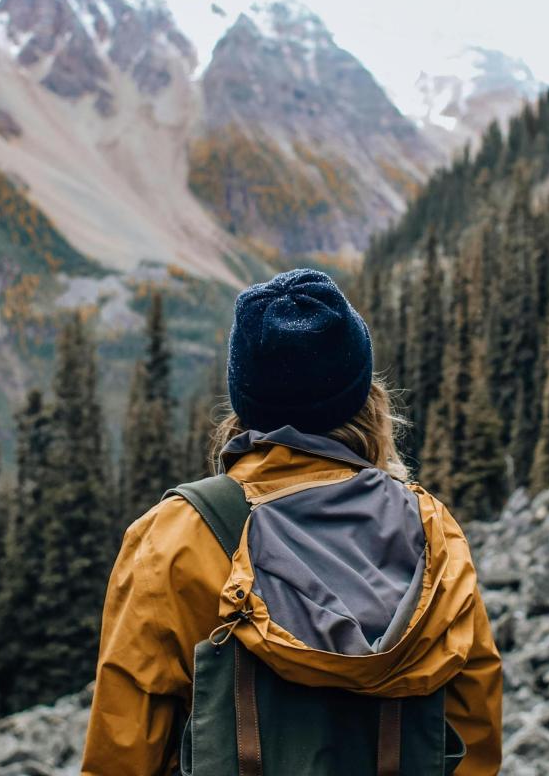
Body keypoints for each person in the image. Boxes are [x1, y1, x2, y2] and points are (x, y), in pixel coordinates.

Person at [82, 268, 503, 775]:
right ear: (366, 399)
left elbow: (123, 754)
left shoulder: (172, 539)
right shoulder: (432, 532)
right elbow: (471, 735)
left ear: (244, 402)